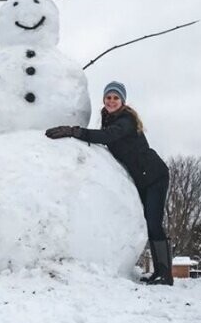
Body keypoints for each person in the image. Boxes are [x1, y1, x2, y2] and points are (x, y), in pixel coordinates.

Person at [45, 81, 172, 285]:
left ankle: (165, 274)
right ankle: (159, 272)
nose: (111, 101)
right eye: (108, 97)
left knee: (153, 223)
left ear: (123, 101)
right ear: (104, 100)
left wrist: (74, 131)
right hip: (140, 177)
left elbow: (107, 136)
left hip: (155, 176)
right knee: (147, 222)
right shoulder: (108, 118)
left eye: (116, 98)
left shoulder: (126, 119)